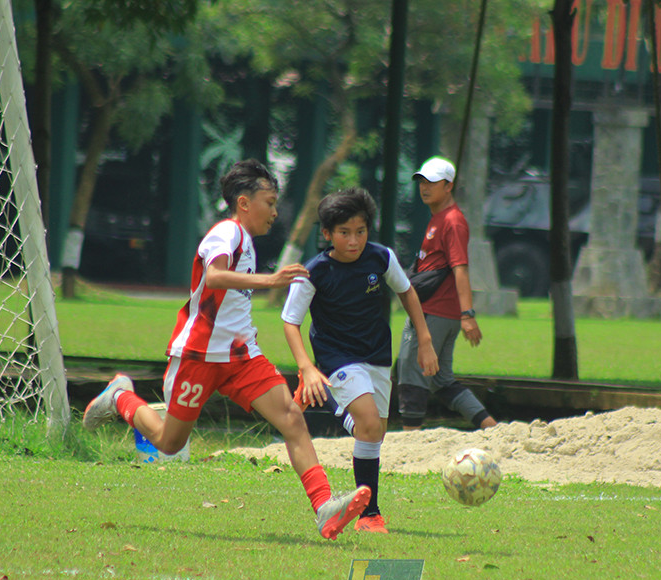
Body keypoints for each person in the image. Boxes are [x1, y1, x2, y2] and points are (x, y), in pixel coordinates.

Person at [82, 159, 370, 541]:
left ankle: (323, 508)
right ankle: (121, 398)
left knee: (291, 418)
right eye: (269, 201)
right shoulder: (226, 232)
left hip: (240, 356)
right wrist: (272, 279)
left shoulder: (247, 242)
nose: (275, 211)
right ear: (244, 203)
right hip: (199, 355)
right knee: (170, 442)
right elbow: (214, 276)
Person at [281, 187, 439, 534]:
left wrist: (424, 340)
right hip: (336, 357)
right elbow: (290, 320)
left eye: (361, 231)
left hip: (377, 354)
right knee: (370, 424)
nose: (354, 241)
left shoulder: (380, 258)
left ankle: (344, 415)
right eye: (344, 233)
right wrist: (306, 367)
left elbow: (406, 291)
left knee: (373, 432)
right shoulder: (315, 272)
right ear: (327, 234)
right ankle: (370, 515)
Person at [397, 156, 497, 431]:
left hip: (436, 311)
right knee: (441, 380)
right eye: (422, 182)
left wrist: (467, 314)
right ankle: (494, 429)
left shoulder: (452, 221)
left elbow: (460, 269)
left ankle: (410, 436)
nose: (424, 187)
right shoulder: (438, 219)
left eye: (432, 182)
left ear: (448, 186)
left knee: (410, 366)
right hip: (436, 310)